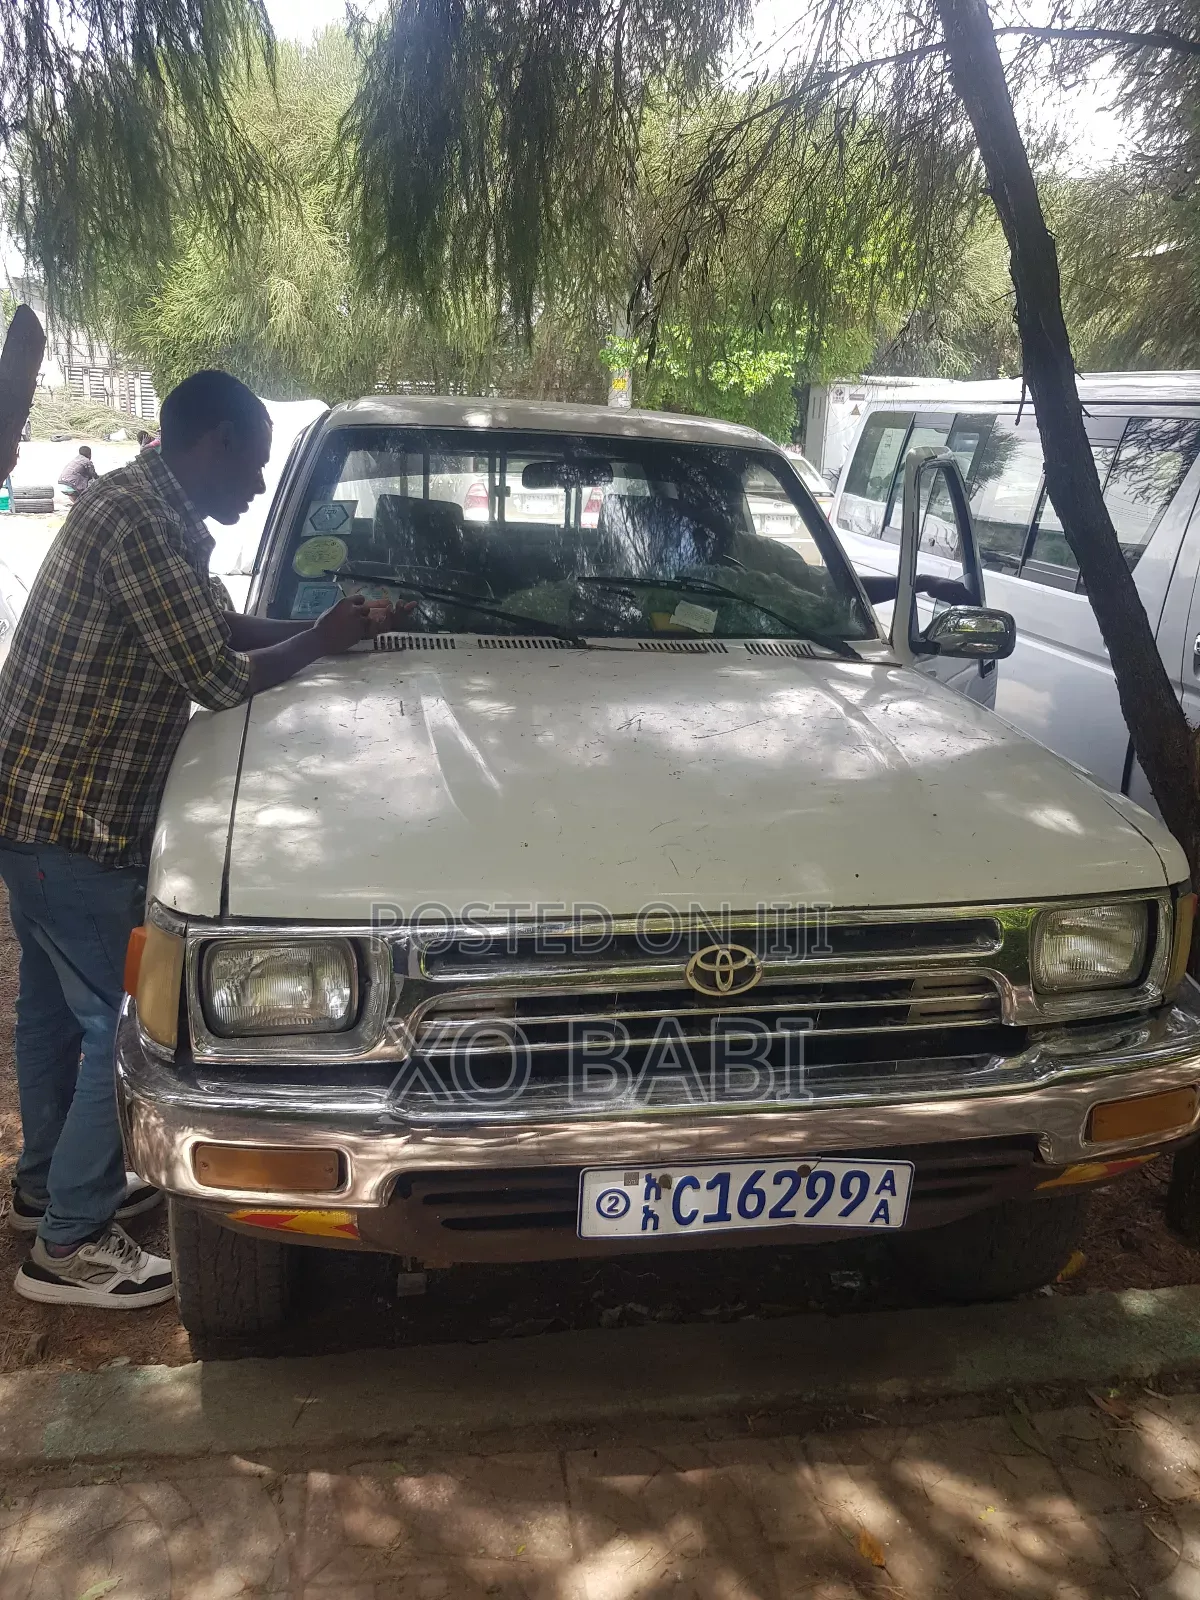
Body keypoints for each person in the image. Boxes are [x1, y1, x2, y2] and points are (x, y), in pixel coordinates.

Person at [0, 368, 393, 1310]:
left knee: (54, 1013)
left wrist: (330, 632)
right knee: (120, 1026)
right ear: (211, 442)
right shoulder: (141, 521)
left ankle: (44, 1188)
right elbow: (216, 673)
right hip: (72, 818)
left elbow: (213, 625)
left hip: (36, 814)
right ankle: (69, 1243)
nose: (258, 487)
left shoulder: (146, 509)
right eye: (253, 467)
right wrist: (320, 640)